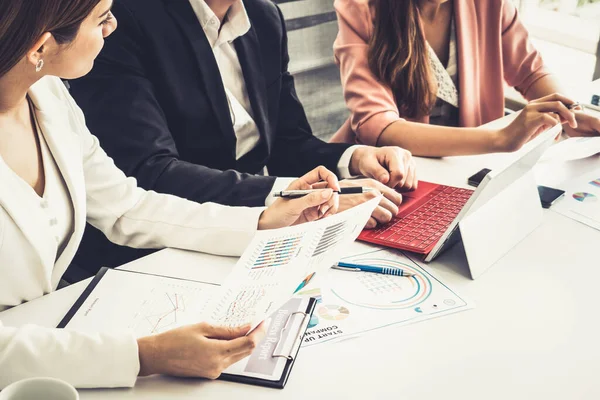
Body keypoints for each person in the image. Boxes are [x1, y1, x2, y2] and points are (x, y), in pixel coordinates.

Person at [0, 0, 350, 389]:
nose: (113, 26)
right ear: (41, 47)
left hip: (52, 341)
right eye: (101, 18)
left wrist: (261, 221)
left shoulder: (47, 94)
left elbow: (125, 207)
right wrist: (143, 356)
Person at [66, 0, 418, 279]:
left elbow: (287, 143)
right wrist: (294, 197)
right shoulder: (123, 19)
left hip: (253, 235)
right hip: (151, 252)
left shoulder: (264, 17)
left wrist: (354, 159)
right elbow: (150, 171)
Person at [330, 0, 600, 156]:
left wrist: (572, 113)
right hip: (389, 170)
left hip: (470, 165)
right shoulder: (361, 8)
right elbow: (378, 126)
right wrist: (500, 139)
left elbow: (530, 71)